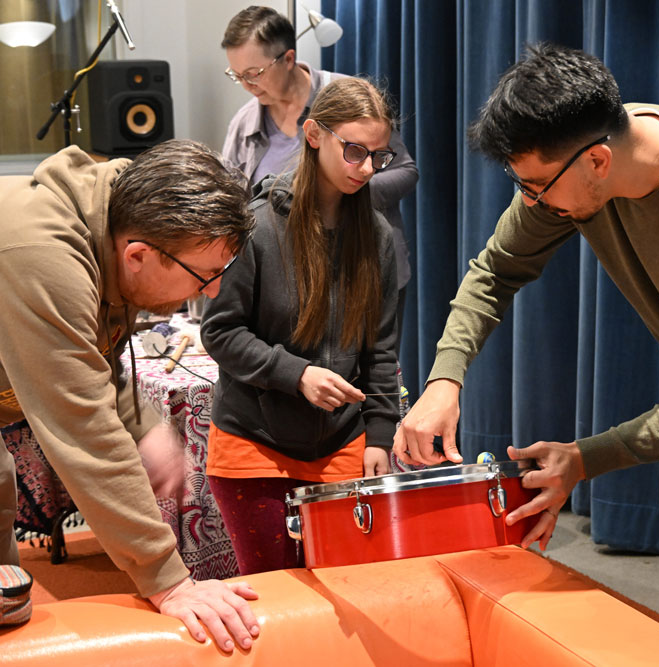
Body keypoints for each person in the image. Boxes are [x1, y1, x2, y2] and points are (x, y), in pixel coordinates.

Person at [393, 43, 659, 667]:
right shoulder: (579, 162)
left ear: (597, 160)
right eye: (521, 184)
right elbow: (495, 271)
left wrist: (583, 459)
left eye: (537, 186)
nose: (531, 203)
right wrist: (443, 382)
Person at [0, 140, 260, 650]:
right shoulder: (43, 257)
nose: (211, 291)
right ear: (137, 256)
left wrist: (142, 427)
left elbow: (97, 360)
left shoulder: (120, 223)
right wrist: (168, 580)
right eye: (204, 275)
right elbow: (82, 428)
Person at [200, 77, 400, 576]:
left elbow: (380, 349)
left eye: (379, 156)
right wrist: (298, 374)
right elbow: (220, 332)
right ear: (314, 135)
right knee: (276, 598)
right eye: (355, 151)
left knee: (350, 592)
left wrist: (379, 435)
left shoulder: (377, 237)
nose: (367, 168)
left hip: (343, 444)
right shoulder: (256, 226)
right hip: (254, 446)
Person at [221, 6, 418, 355]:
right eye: (238, 76)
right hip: (289, 285)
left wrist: (348, 193)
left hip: (361, 267)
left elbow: (406, 170)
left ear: (288, 58)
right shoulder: (244, 123)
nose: (248, 85)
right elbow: (232, 201)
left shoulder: (349, 98)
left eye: (254, 73)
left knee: (369, 364)